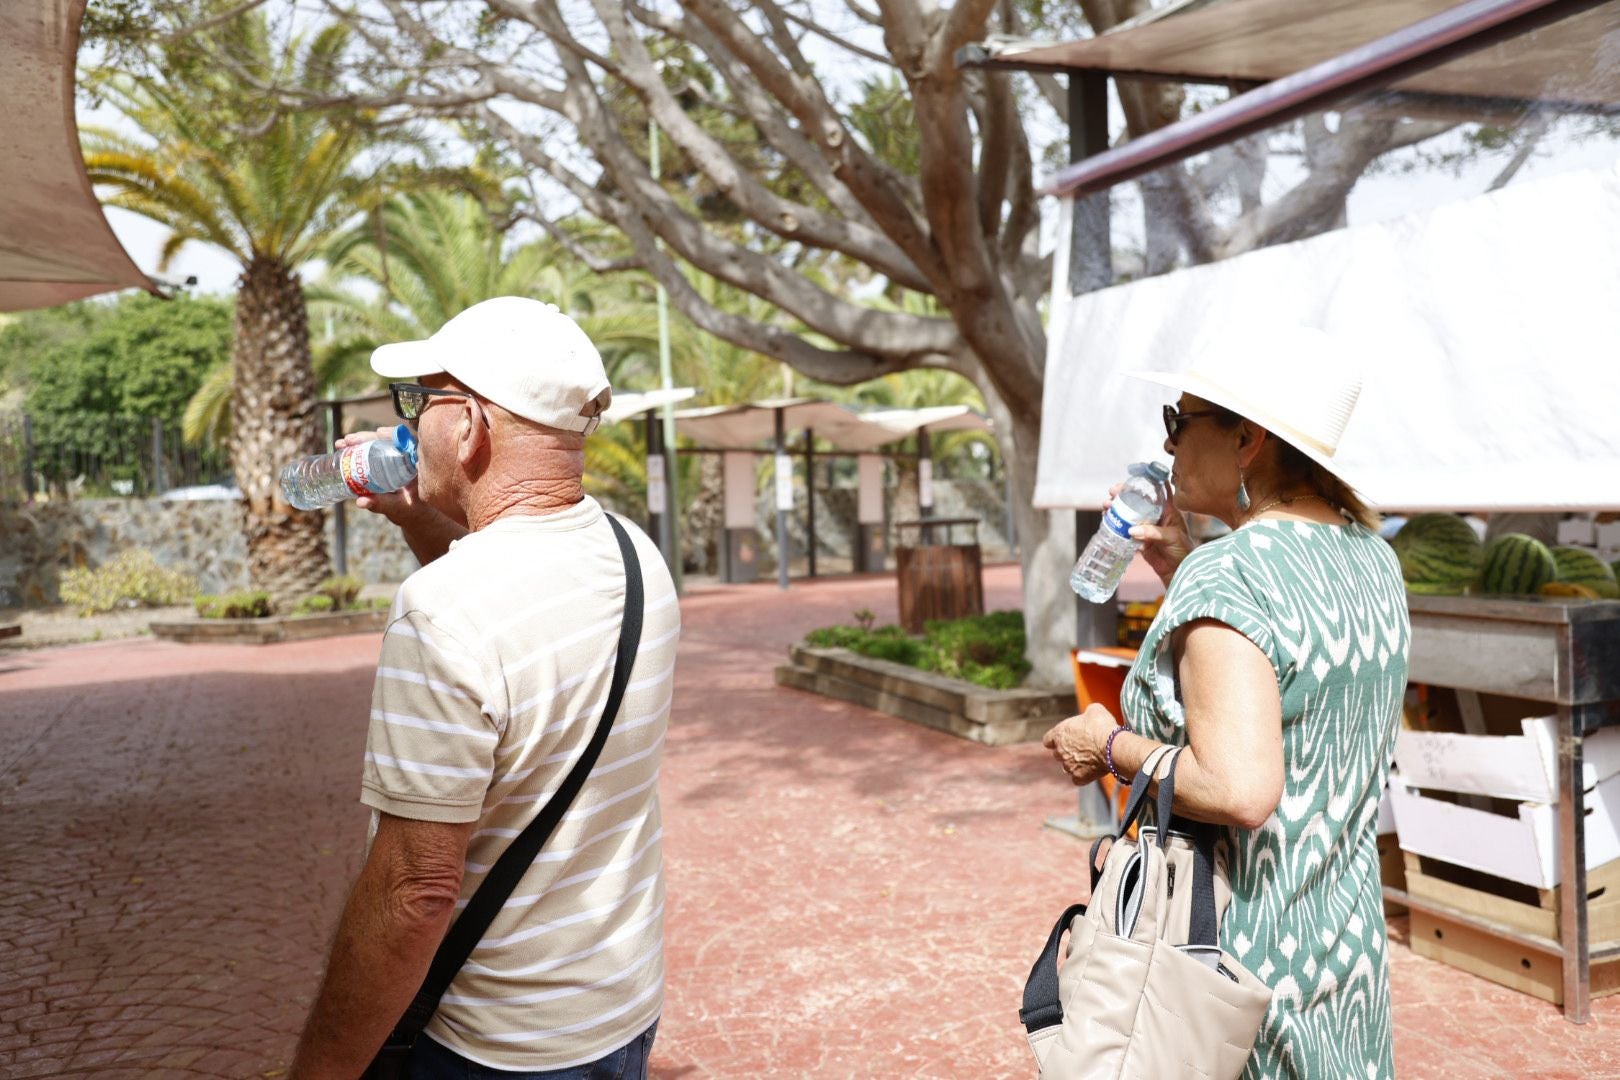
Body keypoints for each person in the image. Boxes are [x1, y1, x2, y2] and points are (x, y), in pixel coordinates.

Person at [290, 297, 678, 1079]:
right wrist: (416, 520)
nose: (406, 424)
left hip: (494, 1047)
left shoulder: (441, 614)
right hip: (618, 1012)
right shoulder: (637, 557)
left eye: (415, 403)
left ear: (467, 426)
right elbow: (509, 636)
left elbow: (415, 894)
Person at [1043, 326, 1410, 1079]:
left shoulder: (1233, 576)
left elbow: (1241, 789)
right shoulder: (1371, 556)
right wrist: (1182, 564)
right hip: (1341, 958)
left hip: (1226, 976)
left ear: (1247, 439)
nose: (1168, 446)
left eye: (1180, 423)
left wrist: (1106, 745)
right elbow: (1281, 687)